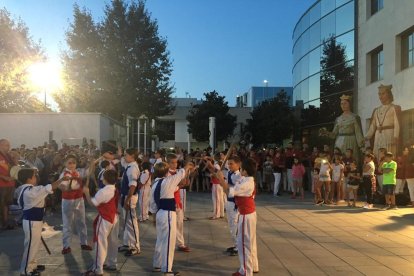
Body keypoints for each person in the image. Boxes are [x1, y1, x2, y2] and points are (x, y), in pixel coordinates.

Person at [18, 168, 69, 276]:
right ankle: (26, 270)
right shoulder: (30, 191)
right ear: (29, 179)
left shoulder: (26, 189)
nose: (36, 177)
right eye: (34, 175)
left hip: (33, 221)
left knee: (34, 245)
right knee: (31, 246)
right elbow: (50, 187)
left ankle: (32, 265)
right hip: (32, 222)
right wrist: (61, 179)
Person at [215, 158, 259, 276]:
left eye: (242, 169)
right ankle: (253, 266)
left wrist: (220, 178)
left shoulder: (248, 183)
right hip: (247, 214)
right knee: (250, 242)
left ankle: (245, 271)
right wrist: (221, 178)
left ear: (245, 170)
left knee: (243, 243)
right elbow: (229, 186)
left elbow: (229, 190)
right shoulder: (245, 179)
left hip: (246, 215)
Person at [151, 161, 194, 275]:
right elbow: (180, 174)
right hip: (168, 214)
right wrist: (187, 166)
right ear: (166, 172)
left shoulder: (155, 184)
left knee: (160, 240)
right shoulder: (167, 181)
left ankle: (157, 264)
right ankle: (167, 270)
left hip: (159, 213)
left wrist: (154, 218)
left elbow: (153, 205)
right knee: (169, 242)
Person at [82, 170, 119, 276]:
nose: (102, 179)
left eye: (103, 177)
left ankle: (97, 269)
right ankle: (109, 263)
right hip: (113, 217)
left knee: (100, 244)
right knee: (111, 242)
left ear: (106, 179)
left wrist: (87, 193)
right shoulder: (113, 188)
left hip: (105, 218)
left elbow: (92, 203)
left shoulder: (104, 191)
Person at [59, 155, 92, 254]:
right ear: (65, 163)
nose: (72, 164)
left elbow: (89, 172)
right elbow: (61, 187)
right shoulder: (64, 174)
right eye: (69, 162)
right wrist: (67, 186)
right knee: (67, 223)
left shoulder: (78, 172)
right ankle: (66, 246)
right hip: (68, 200)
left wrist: (93, 161)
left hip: (79, 199)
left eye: (73, 162)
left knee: (81, 221)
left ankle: (84, 243)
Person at [320, 94, 364, 165]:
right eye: (341, 104)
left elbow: (358, 133)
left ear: (349, 104)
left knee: (351, 160)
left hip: (351, 140)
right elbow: (334, 134)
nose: (343, 105)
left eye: (345, 103)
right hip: (339, 142)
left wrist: (361, 146)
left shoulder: (355, 117)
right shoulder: (338, 118)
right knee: (339, 159)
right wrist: (326, 133)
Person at [365, 84, 401, 160]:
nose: (380, 96)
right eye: (379, 94)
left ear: (388, 94)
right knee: (377, 155)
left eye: (383, 93)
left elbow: (397, 124)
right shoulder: (376, 110)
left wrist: (396, 136)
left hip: (389, 135)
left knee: (388, 155)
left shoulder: (394, 108)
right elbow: (372, 126)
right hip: (378, 136)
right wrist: (366, 137)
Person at [166, 153, 191, 252]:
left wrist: (187, 173)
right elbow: (176, 185)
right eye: (172, 163)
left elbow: (185, 183)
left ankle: (180, 243)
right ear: (167, 163)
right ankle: (170, 242)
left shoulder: (178, 172)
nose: (174, 165)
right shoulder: (166, 173)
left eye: (176, 162)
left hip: (177, 201)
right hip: (169, 201)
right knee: (170, 225)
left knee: (180, 223)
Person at [118, 148, 141, 256]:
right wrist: (120, 151)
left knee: (131, 222)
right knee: (127, 222)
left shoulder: (133, 168)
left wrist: (127, 200)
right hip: (125, 196)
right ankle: (127, 244)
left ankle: (136, 246)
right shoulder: (129, 164)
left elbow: (133, 186)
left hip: (129, 197)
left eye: (126, 155)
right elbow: (121, 159)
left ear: (132, 156)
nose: (124, 157)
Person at [0, 139, 15, 230]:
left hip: (10, 183)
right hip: (1, 184)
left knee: (7, 204)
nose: (8, 147)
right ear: (0, 145)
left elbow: (14, 168)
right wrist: (3, 177)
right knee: (1, 204)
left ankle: (5, 222)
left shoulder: (9, 156)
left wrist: (15, 157)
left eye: (8, 145)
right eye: (6, 145)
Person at [209, 153, 224, 220]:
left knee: (216, 199)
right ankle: (221, 213)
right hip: (218, 184)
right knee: (220, 199)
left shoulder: (216, 165)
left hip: (217, 183)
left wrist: (212, 175)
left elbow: (218, 175)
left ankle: (216, 214)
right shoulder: (219, 164)